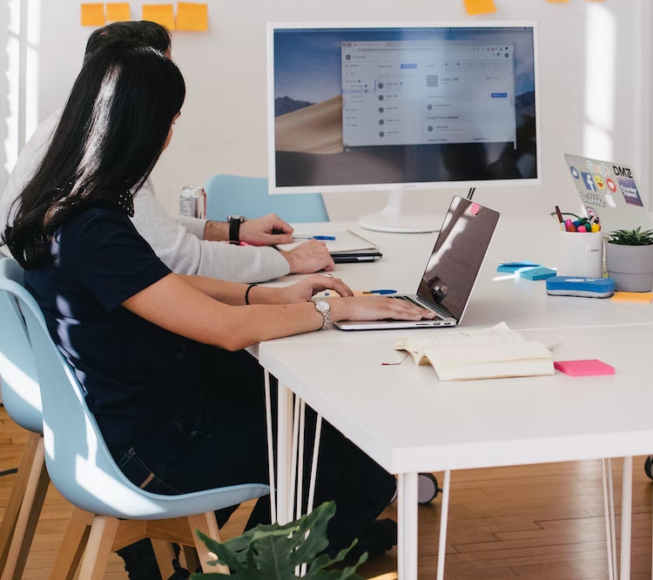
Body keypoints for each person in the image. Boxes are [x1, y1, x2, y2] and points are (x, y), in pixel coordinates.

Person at [1, 43, 433, 579]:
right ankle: (236, 569)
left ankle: (207, 560)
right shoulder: (94, 226)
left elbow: (159, 284)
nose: (170, 134)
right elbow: (227, 332)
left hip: (131, 418)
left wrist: (266, 295)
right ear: (144, 126)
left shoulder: (63, 206)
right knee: (359, 468)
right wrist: (333, 311)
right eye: (171, 119)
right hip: (152, 448)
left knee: (293, 412)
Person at [0, 21, 334, 283]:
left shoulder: (66, 131)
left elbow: (141, 227)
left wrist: (234, 231)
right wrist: (288, 261)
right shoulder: (101, 155)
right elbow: (182, 260)